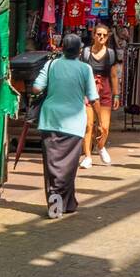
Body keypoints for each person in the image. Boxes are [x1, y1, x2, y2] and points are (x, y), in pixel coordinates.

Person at [31, 33, 98, 219]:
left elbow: (36, 88)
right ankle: (57, 207)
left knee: (53, 167)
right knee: (67, 168)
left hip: (50, 121)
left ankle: (67, 203)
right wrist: (99, 121)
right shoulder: (85, 69)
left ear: (61, 48)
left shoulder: (51, 65)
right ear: (79, 51)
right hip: (74, 125)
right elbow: (93, 98)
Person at [80, 25, 120, 168]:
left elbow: (114, 76)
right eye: (98, 34)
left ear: (107, 37)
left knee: (104, 127)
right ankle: (87, 156)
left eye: (104, 35)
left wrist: (116, 95)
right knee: (88, 125)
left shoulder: (110, 54)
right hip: (88, 91)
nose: (101, 37)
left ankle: (101, 146)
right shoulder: (85, 53)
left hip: (105, 91)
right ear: (93, 35)